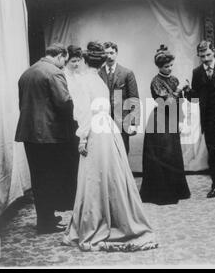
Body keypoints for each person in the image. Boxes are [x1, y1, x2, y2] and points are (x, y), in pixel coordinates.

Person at [62, 42, 157, 252]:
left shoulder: (85, 81)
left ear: (85, 61)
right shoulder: (100, 81)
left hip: (96, 131)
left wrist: (83, 138)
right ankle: (116, 217)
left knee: (94, 178)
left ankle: (95, 221)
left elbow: (84, 114)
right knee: (111, 176)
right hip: (109, 129)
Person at [15, 43, 73, 234]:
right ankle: (46, 223)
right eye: (65, 59)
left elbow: (22, 104)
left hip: (28, 134)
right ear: (60, 56)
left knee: (38, 178)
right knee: (50, 177)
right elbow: (64, 103)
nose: (64, 64)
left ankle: (46, 217)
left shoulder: (27, 73)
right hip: (49, 135)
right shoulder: (54, 72)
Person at [140, 45, 191, 205]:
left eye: (171, 65)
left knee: (173, 154)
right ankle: (161, 193)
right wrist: (178, 89)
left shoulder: (174, 79)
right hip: (159, 120)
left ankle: (176, 190)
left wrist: (182, 120)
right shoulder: (155, 81)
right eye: (166, 66)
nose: (169, 68)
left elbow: (180, 101)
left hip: (173, 118)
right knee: (163, 155)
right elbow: (166, 103)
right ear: (159, 67)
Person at [184, 40, 215, 200]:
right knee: (213, 153)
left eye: (208, 55)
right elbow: (195, 98)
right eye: (202, 55)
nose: (206, 58)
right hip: (209, 118)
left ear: (214, 52)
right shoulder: (197, 72)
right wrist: (188, 92)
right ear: (198, 55)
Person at [99, 41, 140, 154]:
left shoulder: (127, 73)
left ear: (116, 53)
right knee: (106, 153)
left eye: (112, 53)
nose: (109, 56)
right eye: (106, 53)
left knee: (122, 152)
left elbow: (134, 99)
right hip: (103, 121)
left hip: (122, 120)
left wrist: (133, 123)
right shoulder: (98, 73)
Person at [59, 45, 84, 210]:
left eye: (78, 61)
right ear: (66, 61)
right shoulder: (63, 77)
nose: (76, 64)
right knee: (68, 161)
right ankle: (67, 199)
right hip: (68, 121)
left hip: (79, 120)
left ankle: (77, 197)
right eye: (73, 61)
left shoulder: (79, 76)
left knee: (77, 161)